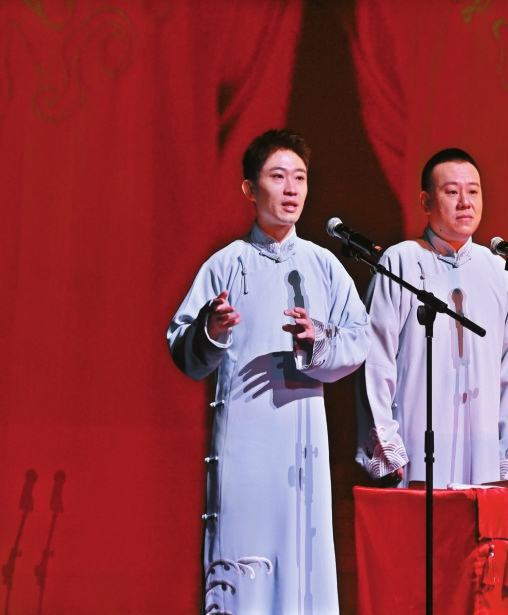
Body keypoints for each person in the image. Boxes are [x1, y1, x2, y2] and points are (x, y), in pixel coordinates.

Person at [167, 129, 369, 615]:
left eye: (300, 177)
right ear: (250, 189)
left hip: (303, 448)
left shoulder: (323, 265)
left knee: (303, 567)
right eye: (278, 177)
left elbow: (360, 339)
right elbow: (182, 347)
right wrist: (212, 329)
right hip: (244, 447)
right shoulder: (225, 265)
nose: (291, 189)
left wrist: (318, 339)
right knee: (243, 572)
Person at [356, 148, 508, 488]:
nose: (465, 202)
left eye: (473, 191)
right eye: (452, 192)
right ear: (426, 202)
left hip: (482, 447)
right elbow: (375, 359)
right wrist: (388, 444)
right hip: (416, 440)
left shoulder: (497, 271)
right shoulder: (400, 261)